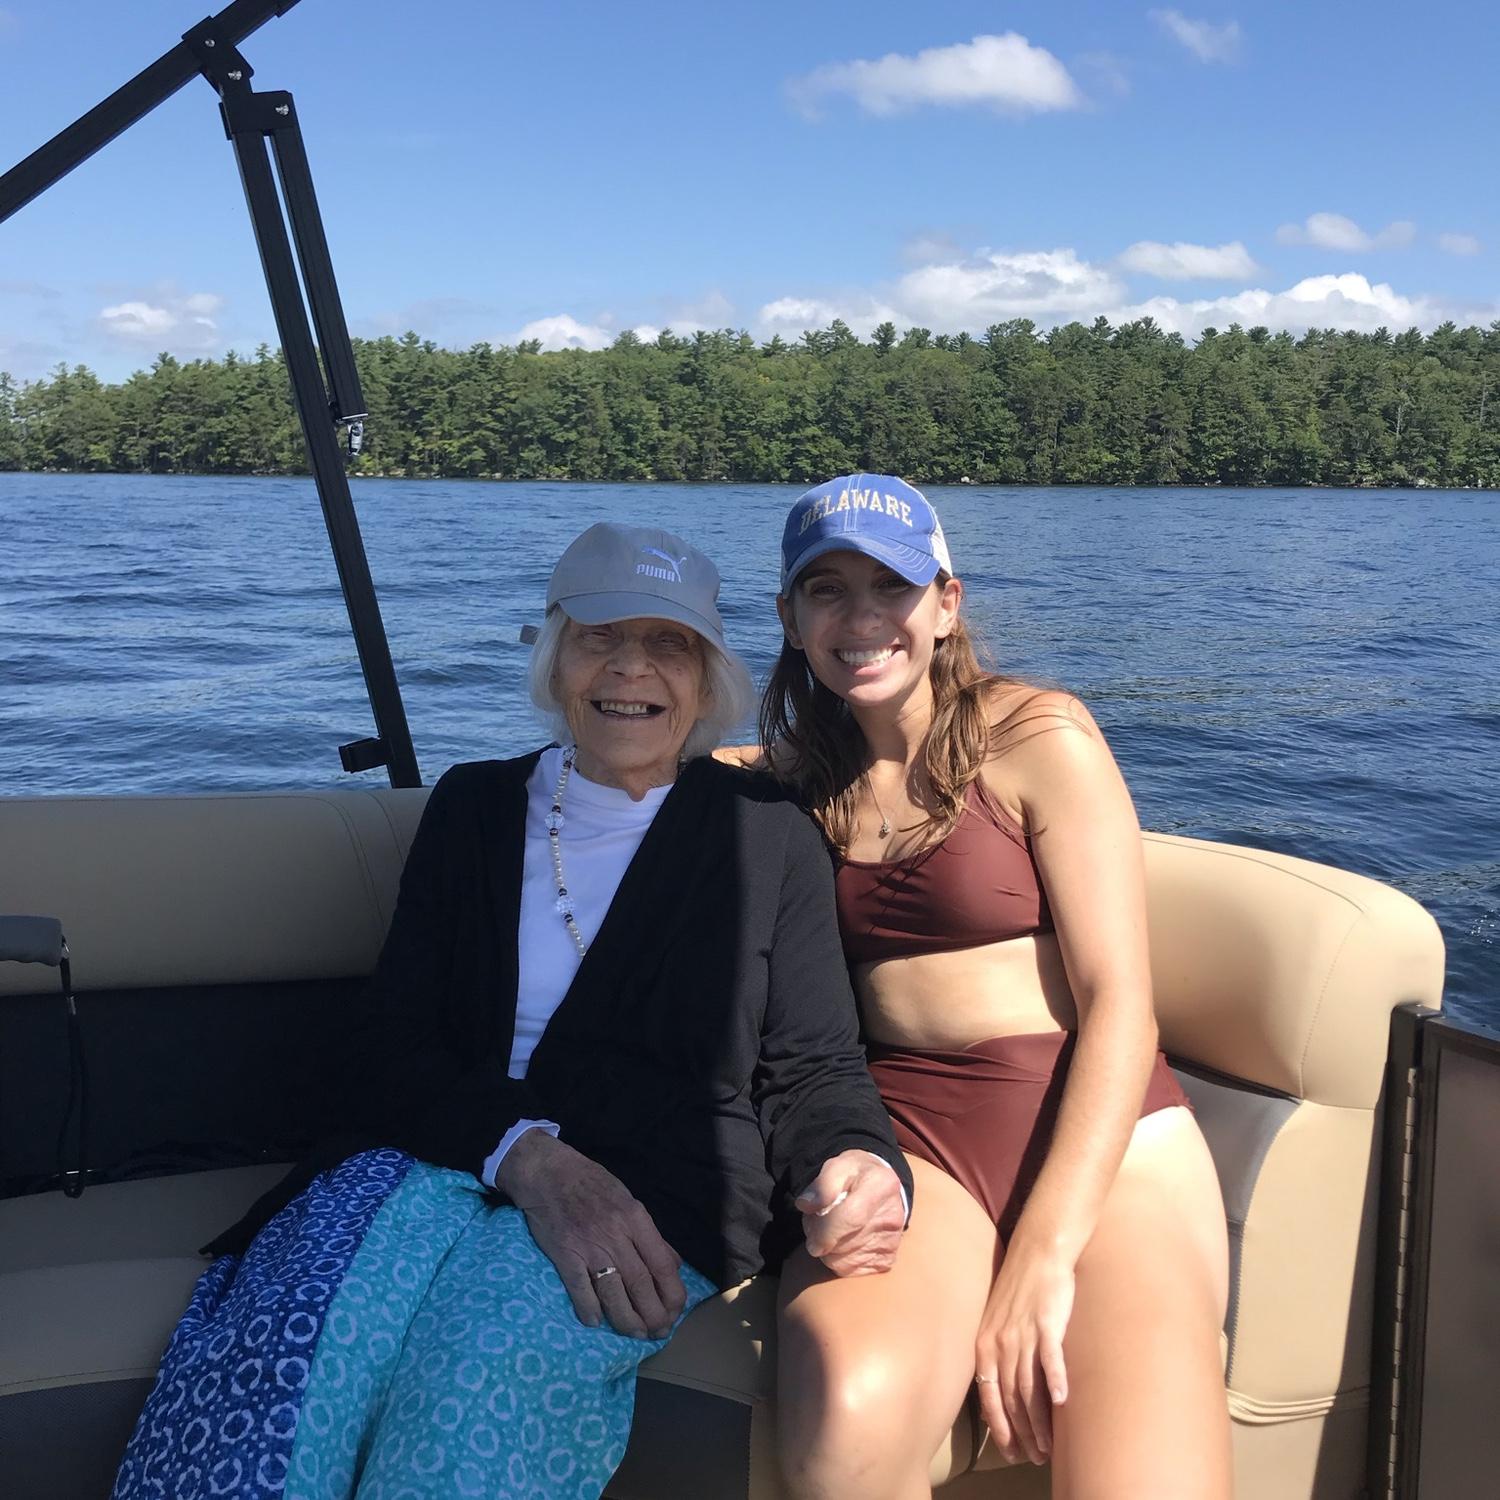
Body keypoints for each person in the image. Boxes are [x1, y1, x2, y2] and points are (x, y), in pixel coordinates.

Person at [112, 521, 911, 1500]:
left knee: (476, 1384)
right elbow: (384, 1046)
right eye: (599, 636)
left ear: (707, 678)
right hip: (438, 1158)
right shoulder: (474, 808)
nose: (631, 668)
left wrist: (860, 1163)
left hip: (656, 1190)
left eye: (667, 642)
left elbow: (814, 1067)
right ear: (555, 655)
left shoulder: (767, 838)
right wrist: (526, 1156)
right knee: (291, 1369)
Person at [756, 476, 1232, 1499]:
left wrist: (1042, 1255)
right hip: (915, 1138)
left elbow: (1119, 1002)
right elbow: (649, 763)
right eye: (827, 591)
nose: (862, 618)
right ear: (790, 620)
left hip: (1105, 1134)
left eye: (892, 586)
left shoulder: (1037, 736)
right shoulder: (790, 783)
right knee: (846, 1419)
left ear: (946, 604)